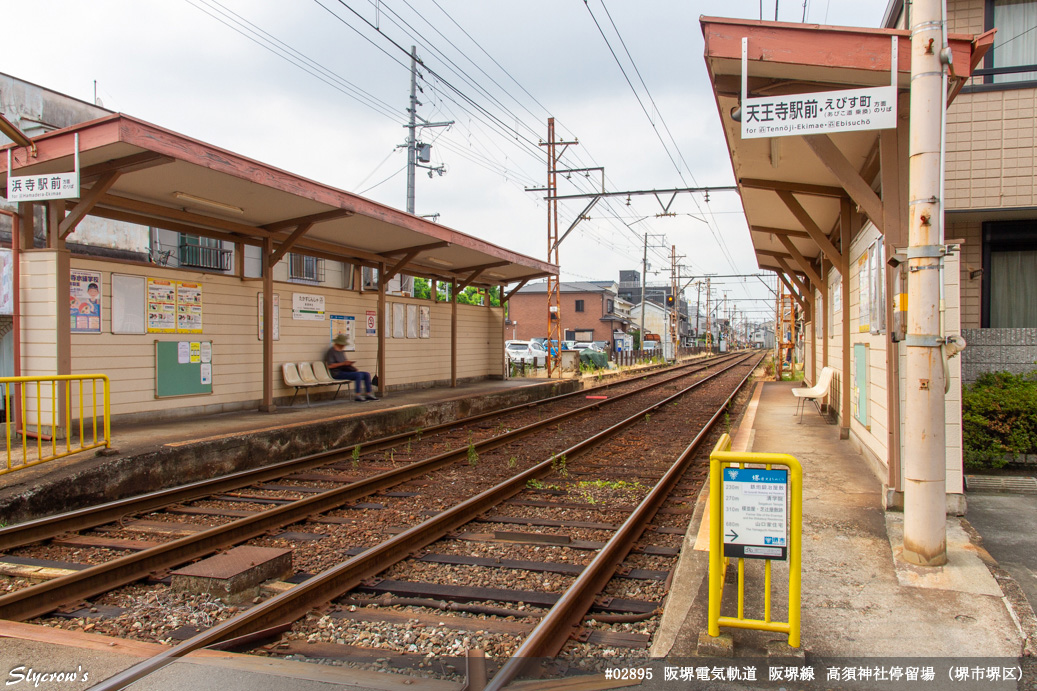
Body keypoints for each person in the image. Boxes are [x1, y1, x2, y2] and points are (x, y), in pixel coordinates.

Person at [325, 334, 378, 402]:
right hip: (337, 373)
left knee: (366, 374)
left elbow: (343, 362)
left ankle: (369, 393)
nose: (344, 346)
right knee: (358, 375)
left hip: (345, 370)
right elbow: (330, 365)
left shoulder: (341, 351)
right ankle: (357, 395)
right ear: (339, 343)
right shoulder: (331, 352)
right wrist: (343, 363)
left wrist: (348, 364)